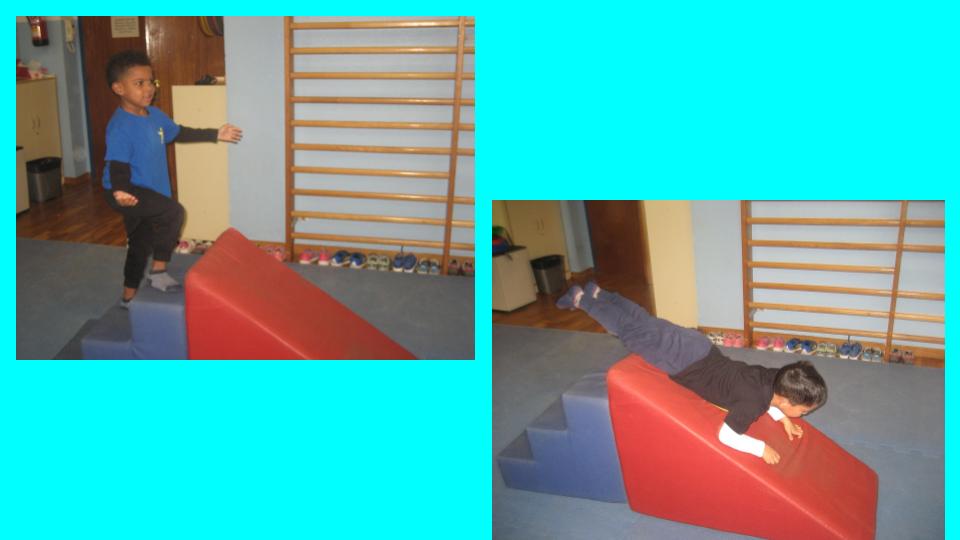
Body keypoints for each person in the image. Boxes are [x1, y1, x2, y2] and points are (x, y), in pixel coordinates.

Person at [557, 281, 827, 465]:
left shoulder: (776, 376)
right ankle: (582, 300)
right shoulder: (752, 402)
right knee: (629, 331)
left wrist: (783, 418)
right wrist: (761, 448)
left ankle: (600, 294)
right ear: (786, 400)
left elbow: (772, 397)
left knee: (646, 322)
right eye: (803, 411)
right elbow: (727, 436)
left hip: (699, 346)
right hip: (681, 360)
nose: (804, 415)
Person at [102, 50, 243, 307]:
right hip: (125, 189)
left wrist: (215, 134)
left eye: (151, 81)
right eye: (139, 83)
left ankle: (128, 296)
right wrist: (121, 191)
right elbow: (117, 165)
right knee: (174, 212)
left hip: (148, 189)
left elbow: (178, 133)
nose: (149, 88)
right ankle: (158, 272)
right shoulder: (120, 126)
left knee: (140, 242)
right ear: (119, 88)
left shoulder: (155, 115)